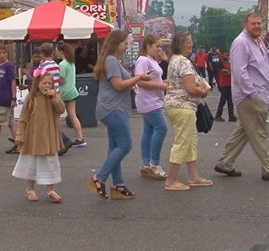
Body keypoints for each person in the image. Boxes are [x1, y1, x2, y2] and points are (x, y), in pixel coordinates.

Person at [214, 13, 269, 182]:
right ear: (245, 25)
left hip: (259, 93)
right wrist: (253, 94)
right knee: (258, 133)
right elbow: (240, 72)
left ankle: (225, 163)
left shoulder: (257, 42)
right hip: (249, 96)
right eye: (253, 23)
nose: (257, 26)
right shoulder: (241, 43)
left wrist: (268, 88)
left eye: (259, 23)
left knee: (244, 131)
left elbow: (264, 66)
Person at [87, 30, 151, 200]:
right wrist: (138, 78)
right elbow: (118, 85)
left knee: (114, 147)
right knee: (125, 145)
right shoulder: (111, 61)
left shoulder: (111, 61)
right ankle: (99, 178)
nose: (126, 46)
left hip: (111, 107)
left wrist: (134, 83)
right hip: (113, 109)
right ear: (116, 43)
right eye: (124, 43)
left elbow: (119, 84)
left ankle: (118, 185)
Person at [163, 32, 213, 191]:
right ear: (180, 44)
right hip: (183, 105)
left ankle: (193, 176)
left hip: (176, 105)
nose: (191, 45)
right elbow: (191, 88)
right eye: (188, 43)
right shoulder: (183, 62)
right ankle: (171, 180)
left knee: (190, 141)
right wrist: (203, 91)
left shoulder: (174, 60)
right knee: (183, 141)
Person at [12, 69, 66, 203]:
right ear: (37, 84)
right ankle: (30, 189)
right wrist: (20, 135)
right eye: (44, 83)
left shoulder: (54, 97)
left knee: (50, 162)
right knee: (31, 162)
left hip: (49, 136)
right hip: (33, 136)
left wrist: (54, 97)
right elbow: (23, 117)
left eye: (49, 83)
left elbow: (61, 109)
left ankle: (50, 190)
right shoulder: (31, 98)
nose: (47, 86)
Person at [134, 34, 168, 180]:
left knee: (148, 131)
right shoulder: (143, 60)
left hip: (153, 99)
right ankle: (154, 164)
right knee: (161, 128)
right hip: (149, 100)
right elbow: (140, 82)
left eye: (160, 46)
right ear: (148, 45)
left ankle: (146, 164)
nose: (159, 49)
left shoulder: (150, 60)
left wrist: (163, 83)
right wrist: (161, 86)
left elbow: (152, 79)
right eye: (157, 46)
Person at [38, 43, 75, 155]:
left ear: (42, 54)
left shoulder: (43, 66)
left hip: (47, 97)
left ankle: (64, 140)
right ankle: (59, 143)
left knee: (47, 123)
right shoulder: (56, 65)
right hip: (56, 95)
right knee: (52, 122)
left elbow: (39, 80)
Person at [57, 42, 86, 147]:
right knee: (73, 116)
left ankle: (58, 139)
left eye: (57, 51)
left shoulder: (62, 64)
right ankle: (80, 138)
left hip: (63, 93)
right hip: (72, 91)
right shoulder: (71, 63)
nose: (56, 53)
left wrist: (53, 78)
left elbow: (62, 80)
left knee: (55, 117)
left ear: (61, 52)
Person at [214, 50, 235, 122]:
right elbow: (223, 73)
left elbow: (230, 72)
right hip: (223, 84)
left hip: (230, 84)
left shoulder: (230, 64)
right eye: (226, 55)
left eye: (228, 55)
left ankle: (231, 116)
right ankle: (218, 115)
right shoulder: (221, 64)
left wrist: (230, 72)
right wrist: (231, 73)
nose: (227, 56)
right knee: (223, 100)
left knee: (230, 101)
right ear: (222, 56)